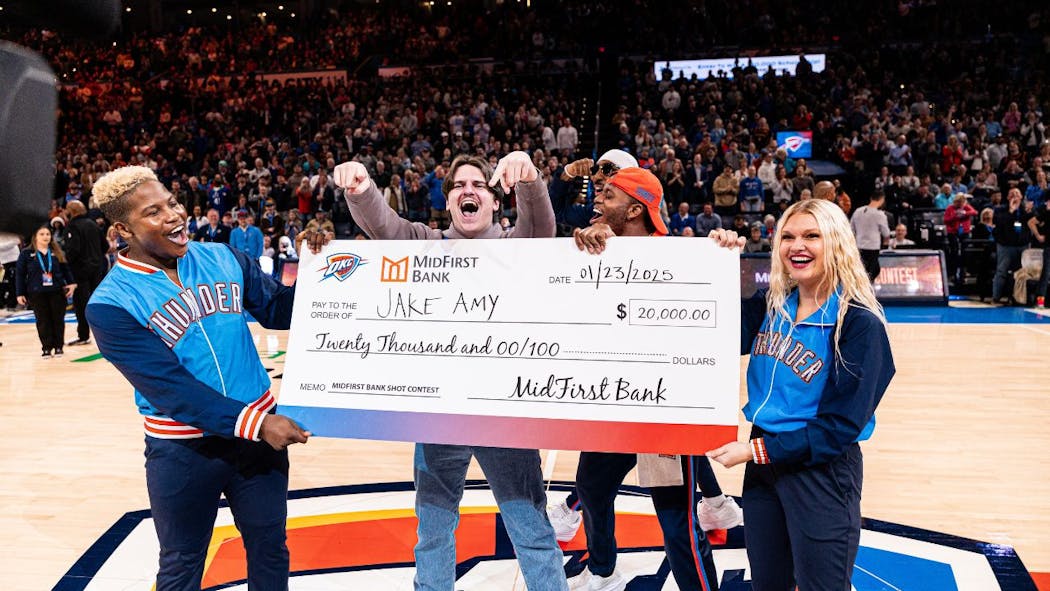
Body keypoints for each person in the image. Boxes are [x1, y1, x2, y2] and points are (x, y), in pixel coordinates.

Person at [326, 152, 568, 591]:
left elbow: (543, 226)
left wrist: (530, 177)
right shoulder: (425, 242)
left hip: (504, 417)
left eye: (479, 184)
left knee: (531, 530)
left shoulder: (519, 247)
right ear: (449, 200)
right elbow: (384, 226)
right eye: (459, 186)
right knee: (433, 533)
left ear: (496, 202)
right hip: (439, 416)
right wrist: (360, 188)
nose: (468, 191)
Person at [85, 166, 310, 590]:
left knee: (269, 546)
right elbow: (173, 390)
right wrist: (258, 424)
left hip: (257, 443)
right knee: (182, 563)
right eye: (154, 212)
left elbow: (280, 310)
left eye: (171, 202)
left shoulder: (222, 256)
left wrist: (323, 267)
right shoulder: (109, 305)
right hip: (183, 451)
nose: (174, 215)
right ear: (122, 230)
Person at [707, 198, 895, 591]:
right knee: (768, 583)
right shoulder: (771, 306)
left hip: (821, 470)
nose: (797, 246)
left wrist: (753, 452)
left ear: (837, 243)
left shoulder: (860, 324)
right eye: (788, 236)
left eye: (812, 235)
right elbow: (712, 330)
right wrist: (718, 263)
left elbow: (838, 429)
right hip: (763, 464)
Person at [569, 167, 736, 591]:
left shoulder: (682, 256)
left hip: (664, 415)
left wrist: (723, 249)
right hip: (613, 407)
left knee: (677, 522)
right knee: (590, 487)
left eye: (607, 196)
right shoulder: (594, 250)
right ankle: (604, 571)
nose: (597, 203)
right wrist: (577, 245)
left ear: (635, 209)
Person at [15, 225, 77, 357]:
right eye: (42, 234)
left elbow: (66, 269)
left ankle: (59, 346)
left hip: (56, 291)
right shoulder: (27, 253)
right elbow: (20, 274)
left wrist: (71, 283)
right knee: (42, 320)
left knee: (58, 319)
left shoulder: (56, 251)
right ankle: (46, 348)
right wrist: (20, 293)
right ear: (35, 237)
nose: (45, 237)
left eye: (48, 234)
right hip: (36, 292)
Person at [62, 200, 109, 346]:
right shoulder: (93, 224)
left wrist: (65, 263)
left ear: (71, 211)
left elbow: (73, 251)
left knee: (81, 304)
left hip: (80, 272)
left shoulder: (72, 226)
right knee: (98, 303)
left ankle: (83, 335)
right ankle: (106, 336)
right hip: (97, 270)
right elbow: (105, 246)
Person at [992, 188, 1030, 304]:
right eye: (1012, 194)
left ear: (1021, 197)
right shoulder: (1000, 210)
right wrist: (1011, 211)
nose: (1014, 196)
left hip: (1022, 246)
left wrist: (1030, 212)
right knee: (1001, 272)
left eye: (1017, 194)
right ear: (1008, 197)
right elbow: (998, 222)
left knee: (1021, 273)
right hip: (1005, 246)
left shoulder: (1025, 210)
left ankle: (1018, 298)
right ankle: (996, 297)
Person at [850, 190, 891, 281]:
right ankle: (864, 292)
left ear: (871, 198)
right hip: (872, 248)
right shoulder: (880, 215)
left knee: (863, 271)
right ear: (882, 200)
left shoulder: (858, 211)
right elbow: (886, 233)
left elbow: (851, 229)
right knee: (872, 272)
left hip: (859, 246)